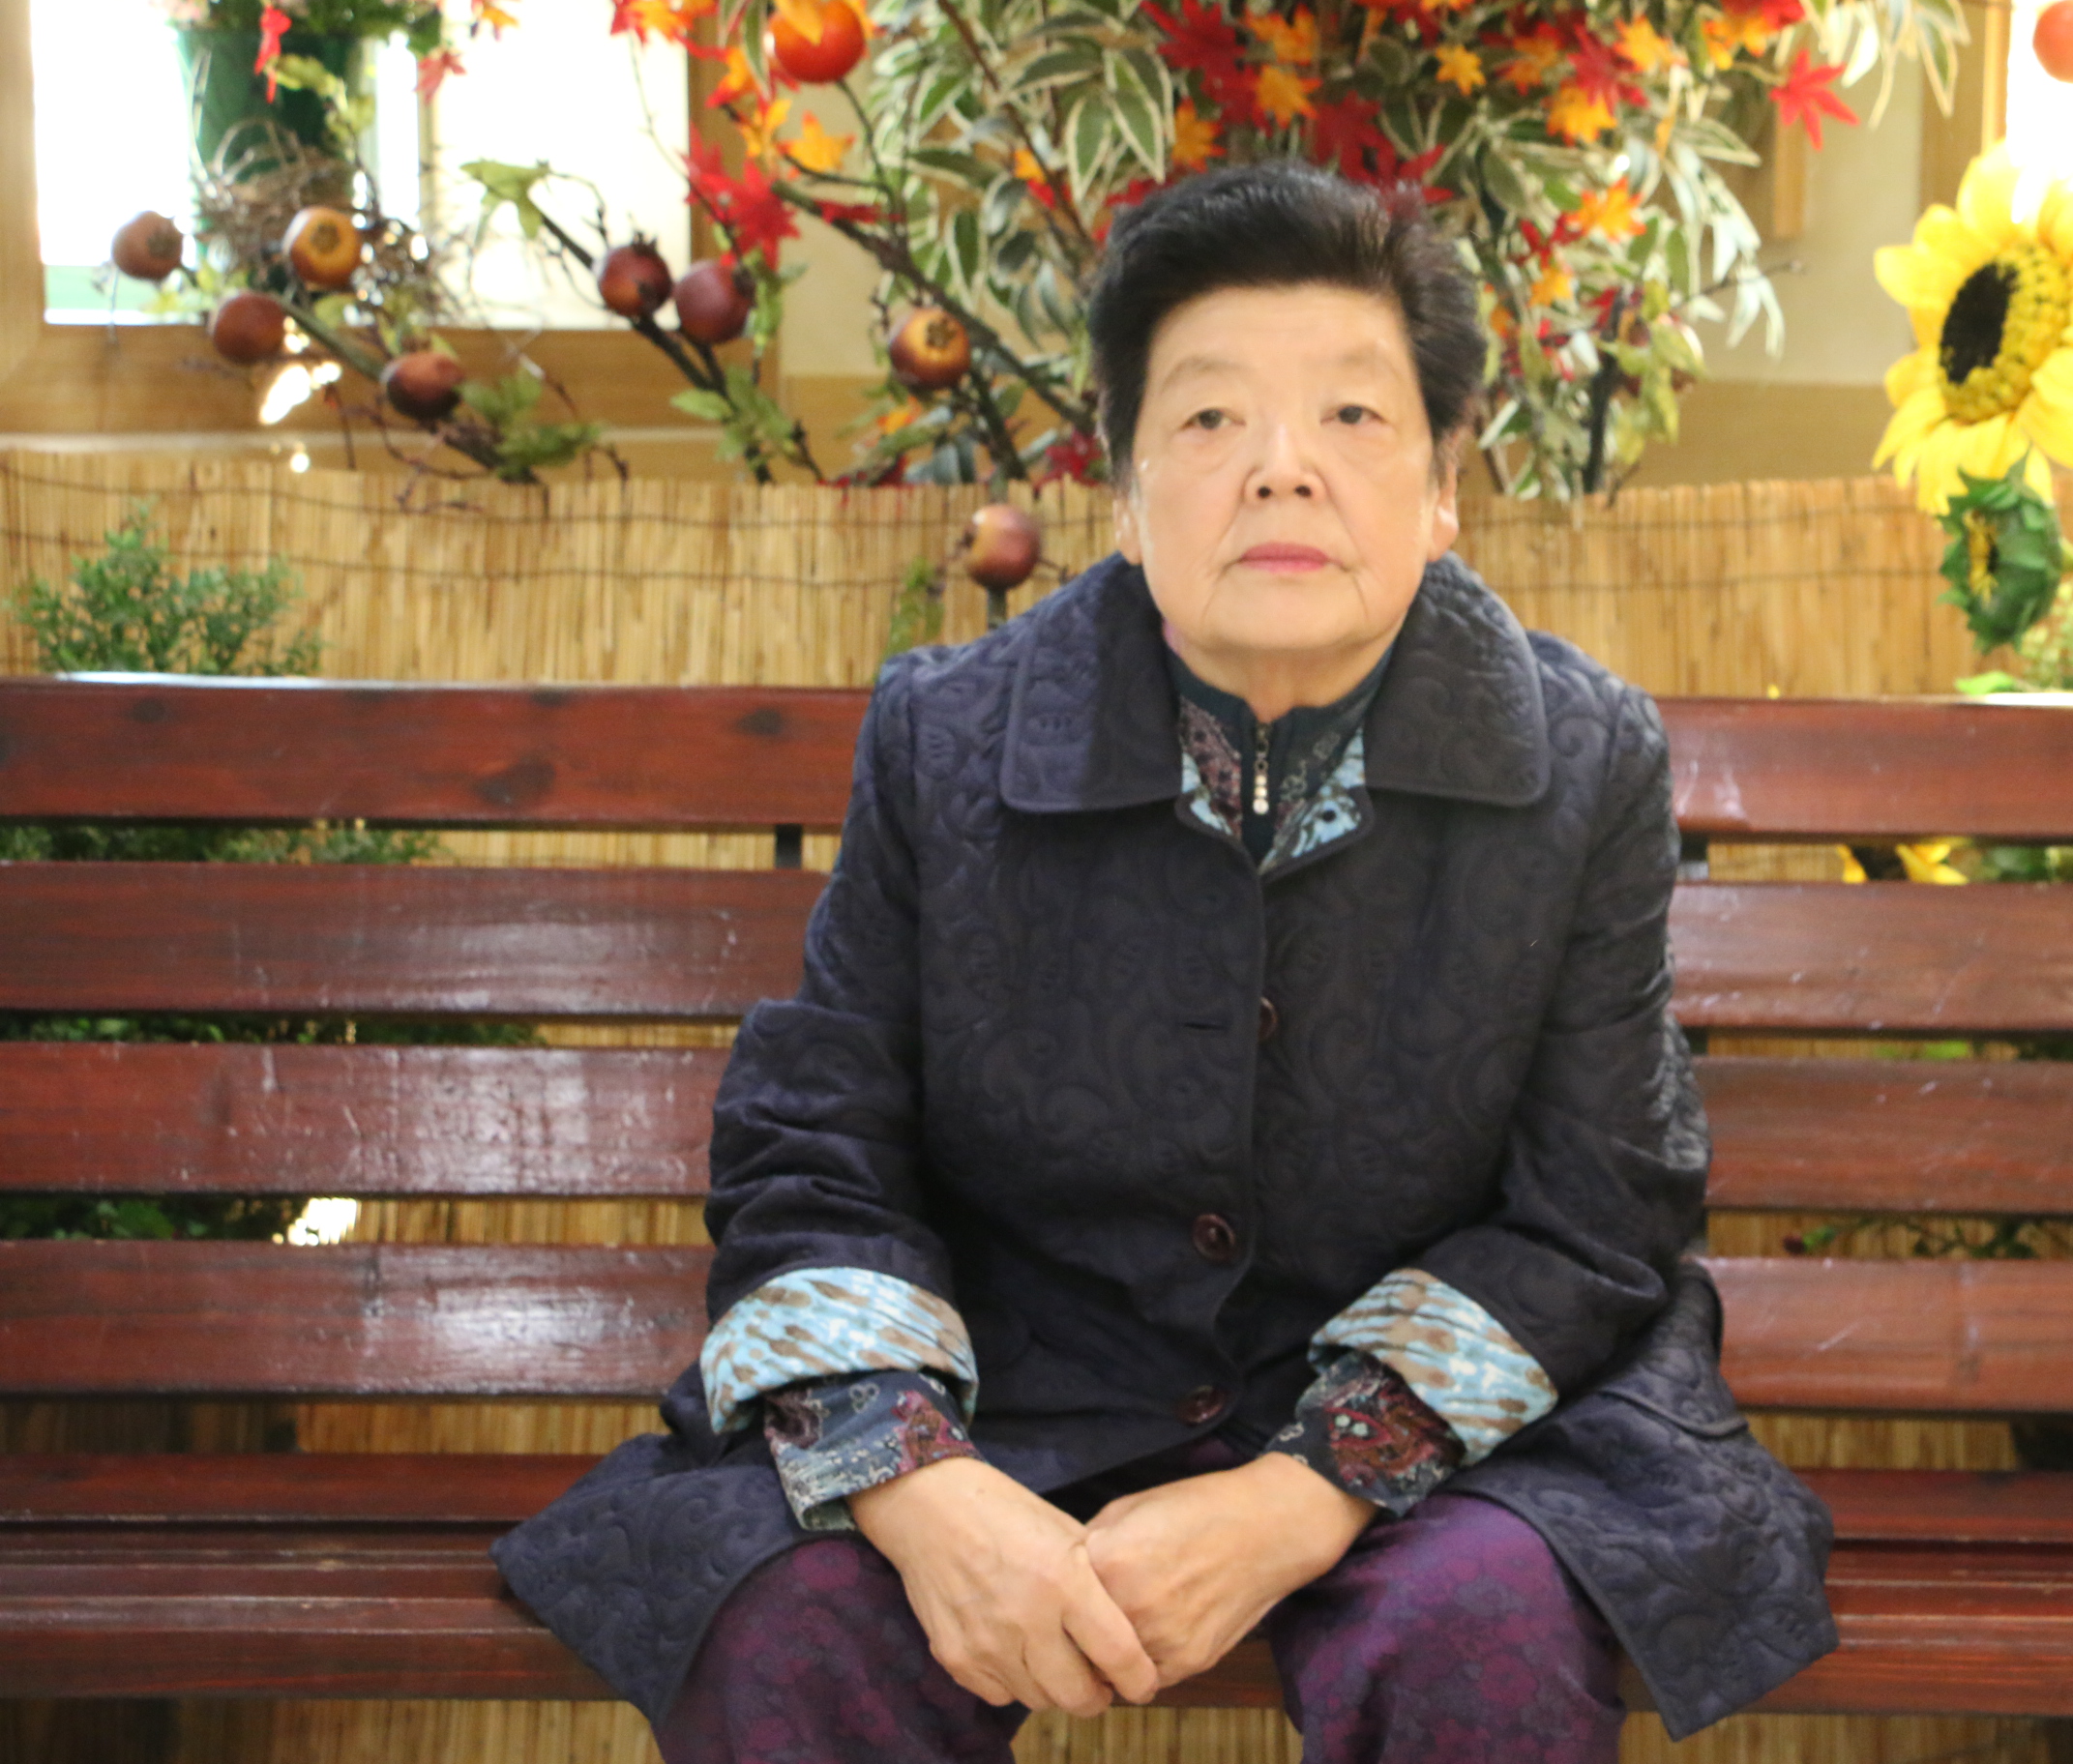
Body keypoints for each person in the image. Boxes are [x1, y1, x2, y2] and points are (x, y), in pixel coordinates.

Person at [494, 159, 1834, 1763]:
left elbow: (1598, 1204)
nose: (1282, 470)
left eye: (1352, 416)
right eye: (1209, 419)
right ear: (1125, 493)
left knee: (1482, 1626)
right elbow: (818, 1146)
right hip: (1012, 1408)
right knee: (792, 1620)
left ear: (1443, 484)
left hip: (1450, 1452)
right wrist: (916, 1484)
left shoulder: (1582, 758)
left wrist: (1309, 1487)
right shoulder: (947, 737)